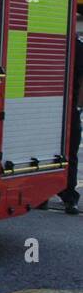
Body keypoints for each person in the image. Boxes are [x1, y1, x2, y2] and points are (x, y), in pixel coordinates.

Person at [60, 31, 83, 216]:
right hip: (68, 107)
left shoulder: (58, 43)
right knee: (71, 153)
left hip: (55, 105)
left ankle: (45, 198)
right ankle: (70, 199)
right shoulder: (77, 45)